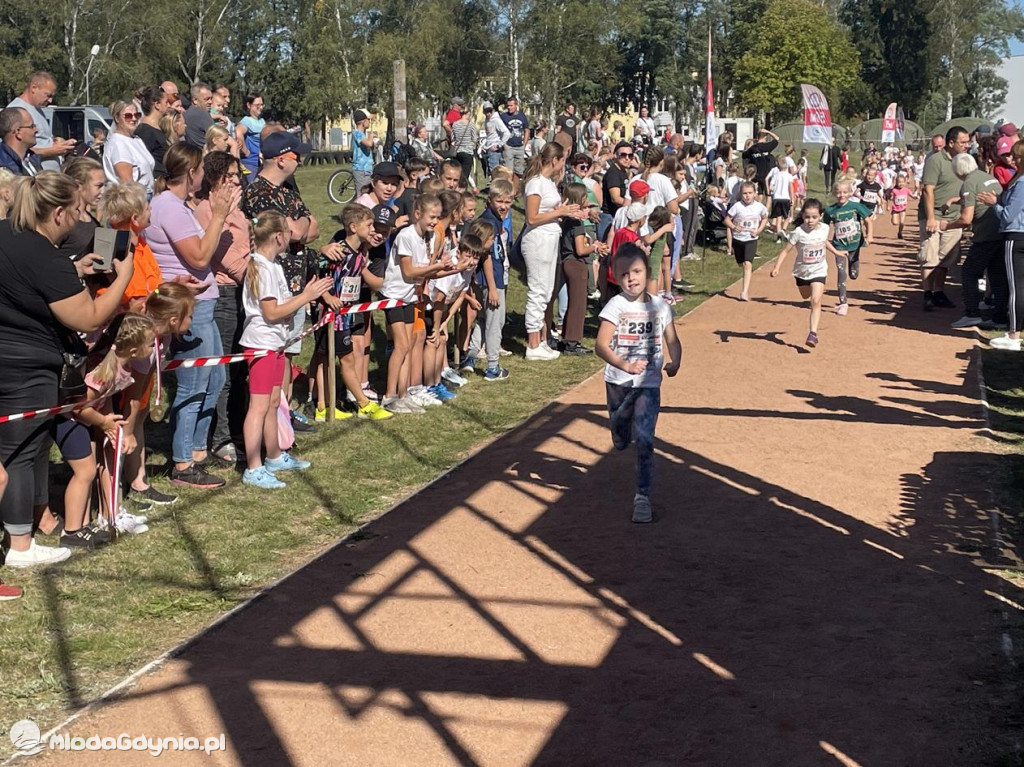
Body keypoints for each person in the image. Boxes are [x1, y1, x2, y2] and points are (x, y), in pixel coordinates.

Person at [0, 172, 134, 567]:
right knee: (21, 453)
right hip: (30, 367)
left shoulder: (7, 234)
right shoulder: (46, 257)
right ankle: (21, 546)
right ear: (57, 213)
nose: (80, 219)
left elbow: (22, 286)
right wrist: (122, 278)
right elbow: (88, 319)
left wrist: (74, 271)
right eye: (76, 211)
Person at [147, 143, 239, 488]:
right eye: (201, 169)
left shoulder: (179, 206)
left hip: (203, 303)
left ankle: (197, 451)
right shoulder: (168, 207)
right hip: (191, 307)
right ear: (191, 173)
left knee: (213, 380)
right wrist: (217, 216)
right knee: (194, 382)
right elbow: (200, 257)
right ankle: (183, 463)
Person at [238, 210, 330, 488]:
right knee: (259, 406)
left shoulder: (273, 265)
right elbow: (271, 311)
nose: (293, 236)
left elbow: (281, 305)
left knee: (274, 402)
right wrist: (305, 297)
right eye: (289, 232)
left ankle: (275, 455)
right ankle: (253, 467)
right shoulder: (262, 268)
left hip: (275, 343)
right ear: (279, 236)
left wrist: (302, 297)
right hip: (262, 345)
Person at [595, 244, 681, 524]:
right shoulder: (616, 306)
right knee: (621, 437)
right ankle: (619, 431)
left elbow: (671, 338)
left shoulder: (660, 307)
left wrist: (676, 360)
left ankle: (642, 497)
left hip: (649, 382)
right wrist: (625, 365)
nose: (631, 278)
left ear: (647, 272)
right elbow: (600, 345)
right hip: (619, 381)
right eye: (624, 274)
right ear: (616, 278)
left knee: (644, 438)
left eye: (637, 271)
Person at [380, 193, 466, 412]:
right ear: (417, 214)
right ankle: (389, 397)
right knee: (401, 346)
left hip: (410, 296)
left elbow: (425, 275)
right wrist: (437, 266)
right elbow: (409, 271)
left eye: (437, 217)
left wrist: (456, 268)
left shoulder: (426, 238)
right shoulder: (406, 236)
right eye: (431, 217)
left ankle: (403, 393)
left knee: (408, 346)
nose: (435, 222)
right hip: (394, 296)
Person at [311, 204, 394, 420]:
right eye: (368, 225)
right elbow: (315, 271)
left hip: (345, 316)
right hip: (328, 316)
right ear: (353, 227)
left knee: (334, 359)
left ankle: (326, 406)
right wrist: (327, 297)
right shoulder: (339, 251)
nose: (373, 229)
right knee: (332, 359)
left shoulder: (358, 256)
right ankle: (358, 404)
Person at [193, 151, 250, 462]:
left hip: (243, 293)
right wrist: (248, 255)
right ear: (214, 178)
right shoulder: (206, 211)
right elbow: (228, 261)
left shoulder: (237, 212)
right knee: (223, 370)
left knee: (240, 367)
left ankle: (239, 427)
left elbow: (245, 251)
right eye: (229, 175)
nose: (235, 180)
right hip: (224, 295)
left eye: (237, 175)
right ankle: (220, 437)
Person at [522, 143, 582, 360]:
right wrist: (560, 211)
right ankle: (532, 343)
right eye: (563, 160)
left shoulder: (547, 183)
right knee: (538, 291)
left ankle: (541, 340)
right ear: (555, 160)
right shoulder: (535, 183)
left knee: (547, 291)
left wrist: (567, 212)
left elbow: (551, 212)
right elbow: (532, 217)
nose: (563, 165)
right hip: (537, 240)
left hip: (549, 238)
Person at [947, 152, 1005, 330]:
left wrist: (946, 225)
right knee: (997, 275)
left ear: (958, 171)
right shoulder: (988, 177)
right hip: (1001, 233)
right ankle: (1000, 317)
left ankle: (972, 313)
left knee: (969, 272)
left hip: (986, 236)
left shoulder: (968, 183)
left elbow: (966, 219)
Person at [770, 199, 837, 347]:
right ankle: (811, 292)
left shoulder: (825, 228)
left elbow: (824, 242)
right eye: (807, 217)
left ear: (820, 216)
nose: (810, 220)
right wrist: (777, 267)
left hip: (819, 270)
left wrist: (836, 252)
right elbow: (786, 250)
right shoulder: (798, 232)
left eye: (814, 217)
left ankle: (813, 333)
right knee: (806, 296)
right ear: (802, 216)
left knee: (815, 301)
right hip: (802, 272)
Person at [918, 126, 970, 311]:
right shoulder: (936, 161)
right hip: (933, 215)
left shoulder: (965, 161)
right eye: (963, 142)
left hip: (953, 218)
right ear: (951, 143)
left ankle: (939, 292)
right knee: (930, 256)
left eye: (967, 142)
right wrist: (931, 217)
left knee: (946, 258)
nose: (967, 145)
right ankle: (927, 293)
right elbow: (928, 190)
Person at [468, 179, 514, 381]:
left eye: (508, 201)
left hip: (494, 277)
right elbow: (485, 256)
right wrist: (493, 287)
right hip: (490, 280)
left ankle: (470, 356)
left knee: (484, 319)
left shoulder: (496, 220)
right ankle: (492, 367)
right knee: (496, 322)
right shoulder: (488, 222)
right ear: (490, 200)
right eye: (499, 201)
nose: (503, 206)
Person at [979, 141, 1024, 349]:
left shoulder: (1021, 183)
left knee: (1016, 287)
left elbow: (1007, 216)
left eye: (1015, 157)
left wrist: (994, 205)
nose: (1011, 160)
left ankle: (1014, 335)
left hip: (1015, 236)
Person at [560, 182, 605, 354]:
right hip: (576, 265)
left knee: (573, 303)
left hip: (567, 262)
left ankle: (567, 338)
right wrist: (595, 247)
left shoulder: (566, 220)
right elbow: (580, 249)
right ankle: (573, 341)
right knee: (579, 304)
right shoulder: (577, 224)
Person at [7, 72, 76, 171]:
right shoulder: (16, 111)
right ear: (34, 88)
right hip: (35, 179)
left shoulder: (38, 108)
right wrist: (52, 151)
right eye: (48, 95)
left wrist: (58, 143)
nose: (51, 100)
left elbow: (42, 140)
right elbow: (13, 151)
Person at [824, 180, 873, 316]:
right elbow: (824, 227)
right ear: (834, 193)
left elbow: (868, 220)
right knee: (841, 273)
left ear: (850, 193)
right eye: (839, 192)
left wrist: (870, 236)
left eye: (845, 192)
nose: (841, 195)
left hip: (855, 245)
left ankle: (855, 264)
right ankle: (843, 303)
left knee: (854, 274)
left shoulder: (856, 206)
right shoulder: (830, 210)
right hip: (839, 246)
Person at [725, 182, 769, 301]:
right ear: (741, 194)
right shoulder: (737, 206)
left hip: (751, 239)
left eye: (750, 193)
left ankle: (744, 292)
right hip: (738, 239)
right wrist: (734, 227)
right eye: (745, 193)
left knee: (747, 264)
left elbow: (765, 218)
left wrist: (759, 230)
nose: (747, 196)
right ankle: (743, 269)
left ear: (755, 194)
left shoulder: (760, 207)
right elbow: (727, 220)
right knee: (741, 263)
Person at [104, 100, 156, 194]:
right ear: (117, 118)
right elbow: (127, 183)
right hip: (134, 198)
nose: (134, 119)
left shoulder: (136, 139)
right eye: (128, 116)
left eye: (137, 115)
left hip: (147, 193)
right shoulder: (118, 144)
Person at [57, 156, 104, 259]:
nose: (103, 191)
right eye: (98, 186)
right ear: (78, 185)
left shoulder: (91, 221)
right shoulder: (64, 219)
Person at [135, 85, 173, 178]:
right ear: (157, 105)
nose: (169, 105)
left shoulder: (159, 127)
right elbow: (143, 160)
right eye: (166, 102)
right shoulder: (145, 131)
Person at [500, 96, 530, 195]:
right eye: (508, 106)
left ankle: (514, 191)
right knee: (508, 171)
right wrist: (503, 143)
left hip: (519, 146)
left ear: (516, 105)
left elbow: (526, 129)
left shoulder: (522, 116)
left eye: (511, 106)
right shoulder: (504, 116)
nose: (509, 108)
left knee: (518, 171)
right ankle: (507, 191)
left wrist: (524, 143)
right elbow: (499, 130)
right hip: (508, 146)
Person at [0, 107, 42, 176]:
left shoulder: (31, 157)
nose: (36, 130)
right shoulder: (3, 168)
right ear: (18, 132)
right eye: (32, 126)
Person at [742, 128, 779, 196]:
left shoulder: (753, 149)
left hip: (755, 174)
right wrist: (768, 131)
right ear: (764, 136)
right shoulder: (767, 146)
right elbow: (777, 138)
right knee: (768, 195)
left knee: (758, 194)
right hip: (766, 174)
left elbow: (744, 154)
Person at [451, 106, 480, 191]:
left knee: (457, 174)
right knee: (465, 176)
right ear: (467, 114)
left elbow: (453, 138)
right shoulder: (471, 124)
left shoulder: (455, 124)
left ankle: (454, 189)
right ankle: (461, 192)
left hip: (457, 152)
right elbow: (475, 138)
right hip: (467, 152)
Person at [236, 93, 265, 177]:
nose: (261, 107)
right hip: (251, 163)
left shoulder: (262, 121)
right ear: (249, 105)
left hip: (262, 162)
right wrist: (245, 150)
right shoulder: (247, 121)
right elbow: (238, 132)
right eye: (257, 105)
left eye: (262, 104)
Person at [766, 157, 795, 238]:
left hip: (776, 198)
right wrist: (792, 199)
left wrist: (771, 191)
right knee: (787, 216)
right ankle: (784, 229)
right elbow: (791, 188)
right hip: (786, 198)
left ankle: (778, 234)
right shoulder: (789, 176)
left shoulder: (776, 175)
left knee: (778, 216)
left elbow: (771, 186)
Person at [482, 102, 511, 178]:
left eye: (490, 111)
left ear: (492, 111)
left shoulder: (496, 120)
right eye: (486, 111)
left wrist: (499, 145)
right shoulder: (487, 120)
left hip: (495, 150)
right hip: (488, 148)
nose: (488, 113)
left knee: (495, 173)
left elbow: (507, 133)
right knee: (491, 173)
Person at [184, 82, 215, 150]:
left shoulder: (187, 113)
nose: (210, 102)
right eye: (206, 99)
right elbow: (217, 137)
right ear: (195, 100)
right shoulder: (202, 114)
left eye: (211, 98)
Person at [351, 109, 375, 193]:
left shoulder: (363, 135)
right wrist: (371, 137)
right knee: (363, 194)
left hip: (367, 168)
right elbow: (368, 144)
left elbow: (370, 147)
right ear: (363, 122)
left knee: (368, 193)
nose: (369, 122)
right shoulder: (357, 133)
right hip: (361, 168)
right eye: (368, 120)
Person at [889, 172, 911, 239]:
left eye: (902, 182)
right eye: (899, 182)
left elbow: (912, 195)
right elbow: (890, 198)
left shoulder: (906, 190)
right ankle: (892, 218)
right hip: (895, 209)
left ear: (905, 182)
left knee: (902, 222)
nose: (901, 184)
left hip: (903, 208)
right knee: (895, 223)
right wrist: (890, 198)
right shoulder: (894, 190)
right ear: (896, 183)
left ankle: (900, 232)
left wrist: (916, 197)